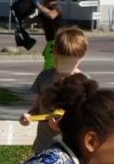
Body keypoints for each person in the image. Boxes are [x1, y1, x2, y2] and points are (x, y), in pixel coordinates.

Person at [21, 26, 87, 155]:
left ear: (81, 58)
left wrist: (65, 125)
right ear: (54, 53)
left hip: (70, 153)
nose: (64, 65)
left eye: (70, 61)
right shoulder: (44, 77)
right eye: (61, 59)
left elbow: (87, 120)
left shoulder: (85, 83)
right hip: (42, 149)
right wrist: (28, 116)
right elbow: (36, 107)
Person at [34, 0, 66, 70]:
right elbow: (33, 20)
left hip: (56, 41)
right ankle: (49, 75)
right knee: (48, 58)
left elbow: (51, 15)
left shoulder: (56, 7)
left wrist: (38, 5)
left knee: (51, 60)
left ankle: (49, 77)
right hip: (51, 41)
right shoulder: (45, 12)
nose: (42, 1)